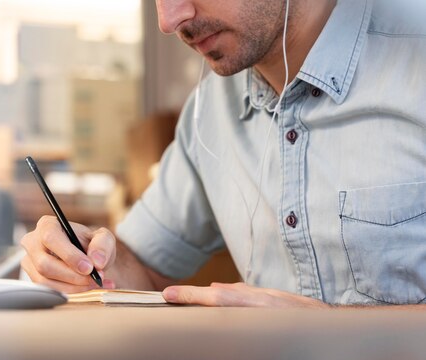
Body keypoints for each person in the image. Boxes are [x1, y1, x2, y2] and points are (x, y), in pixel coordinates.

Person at [21, 0, 426, 308]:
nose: (169, 20)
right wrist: (82, 260)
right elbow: (142, 269)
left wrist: (331, 334)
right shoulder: (211, 110)